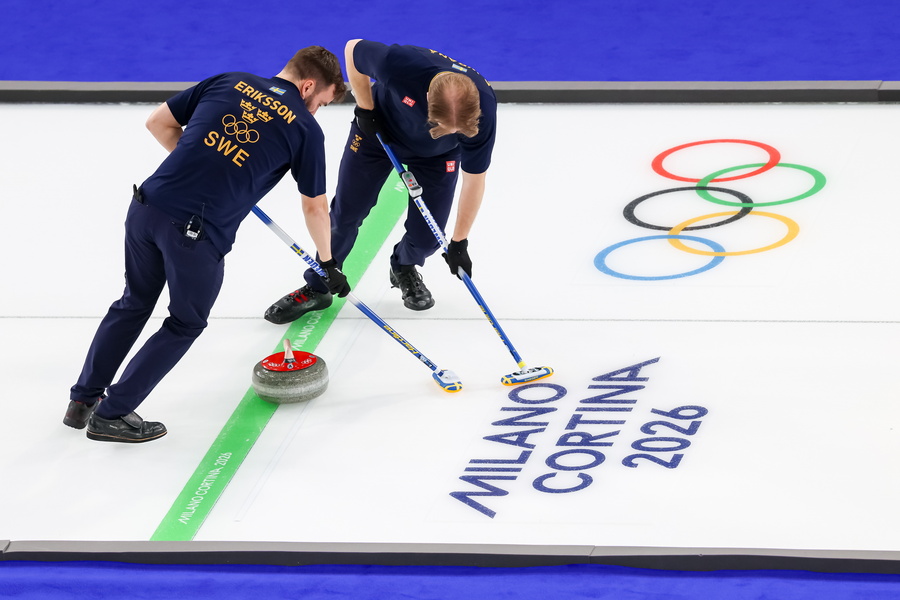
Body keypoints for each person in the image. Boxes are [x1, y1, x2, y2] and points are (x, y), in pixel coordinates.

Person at [63, 46, 349, 443]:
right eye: (321, 102)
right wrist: (328, 263)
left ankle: (82, 401)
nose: (317, 111)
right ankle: (112, 414)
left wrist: (207, 166)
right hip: (195, 234)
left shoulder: (229, 80)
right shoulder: (304, 128)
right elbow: (316, 207)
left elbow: (158, 123)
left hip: (147, 206)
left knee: (133, 302)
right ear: (307, 86)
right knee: (185, 322)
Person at [264, 39, 497, 324]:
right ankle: (320, 283)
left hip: (439, 156)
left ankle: (404, 265)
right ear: (425, 101)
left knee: (429, 236)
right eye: (443, 127)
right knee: (346, 214)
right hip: (377, 134)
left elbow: (474, 181)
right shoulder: (401, 64)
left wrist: (460, 242)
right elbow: (352, 49)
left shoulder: (484, 109)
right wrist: (365, 108)